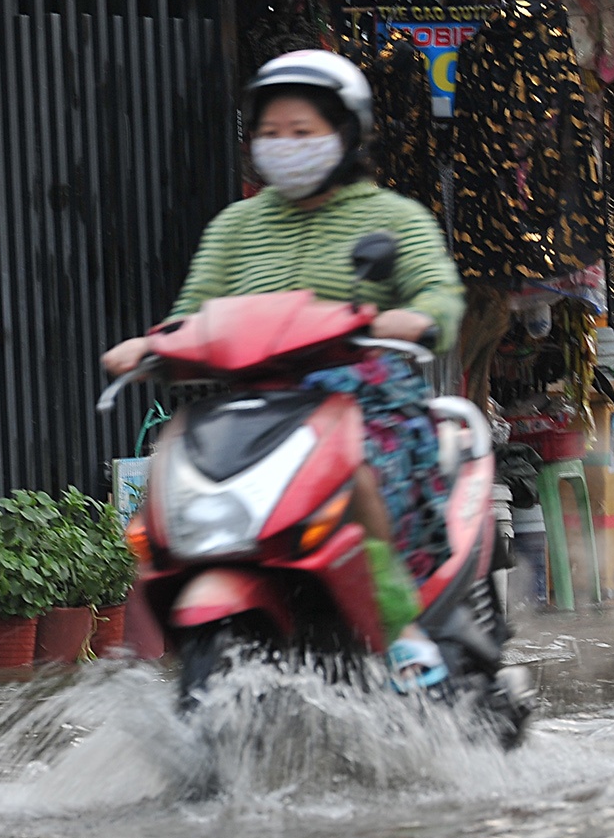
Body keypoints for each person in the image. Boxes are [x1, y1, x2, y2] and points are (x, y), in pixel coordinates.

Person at [100, 50, 466, 671]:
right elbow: (191, 312)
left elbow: (439, 295)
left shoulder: (391, 216)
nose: (283, 144)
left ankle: (401, 628)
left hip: (362, 397)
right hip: (251, 402)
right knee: (168, 487)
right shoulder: (235, 226)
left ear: (346, 135)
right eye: (270, 132)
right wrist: (151, 344)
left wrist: (415, 318)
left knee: (361, 479)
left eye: (302, 131)